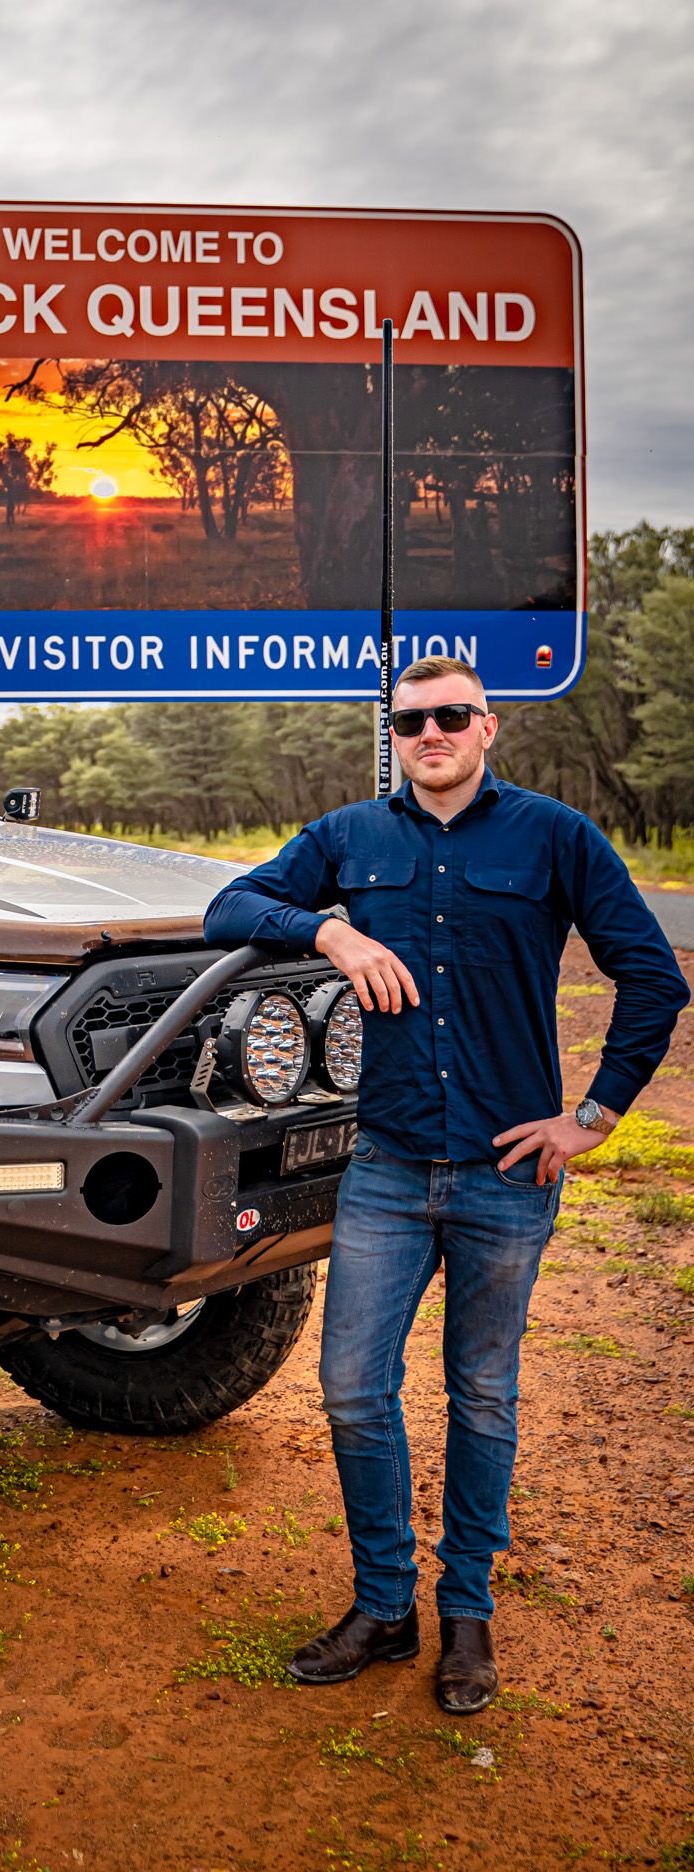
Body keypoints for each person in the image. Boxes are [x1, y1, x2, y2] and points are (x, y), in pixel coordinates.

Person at [199, 655, 689, 1713]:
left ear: (486, 726)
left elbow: (653, 978)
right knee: (349, 1388)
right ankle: (384, 1604)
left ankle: (465, 1610)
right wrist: (328, 927)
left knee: (482, 1392)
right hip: (381, 1166)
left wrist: (590, 1117)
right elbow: (228, 905)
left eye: (450, 715)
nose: (431, 732)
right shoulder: (345, 839)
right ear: (395, 733)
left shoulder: (555, 836)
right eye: (412, 719)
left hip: (506, 1174)